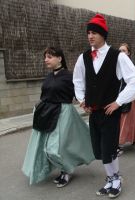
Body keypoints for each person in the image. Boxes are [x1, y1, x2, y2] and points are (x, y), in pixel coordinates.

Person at [73, 14, 135, 198]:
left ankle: (115, 179)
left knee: (108, 148)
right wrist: (82, 99)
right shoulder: (84, 57)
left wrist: (119, 101)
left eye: (94, 32)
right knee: (99, 149)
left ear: (103, 34)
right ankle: (110, 177)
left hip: (111, 112)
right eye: (88, 33)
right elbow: (78, 80)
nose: (90, 36)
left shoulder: (117, 56)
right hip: (94, 112)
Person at [22, 47, 95, 187]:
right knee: (45, 146)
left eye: (49, 57)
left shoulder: (70, 76)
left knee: (56, 147)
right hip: (47, 113)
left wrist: (86, 104)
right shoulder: (49, 77)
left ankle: (67, 171)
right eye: (45, 57)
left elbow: (80, 92)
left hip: (64, 113)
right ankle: (63, 169)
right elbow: (45, 95)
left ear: (60, 58)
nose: (45, 60)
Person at [117, 43, 135, 155]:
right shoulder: (116, 65)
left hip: (129, 97)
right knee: (124, 120)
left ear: (128, 53)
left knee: (126, 120)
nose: (121, 52)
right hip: (118, 96)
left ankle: (120, 144)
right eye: (119, 50)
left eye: (123, 50)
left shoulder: (133, 67)